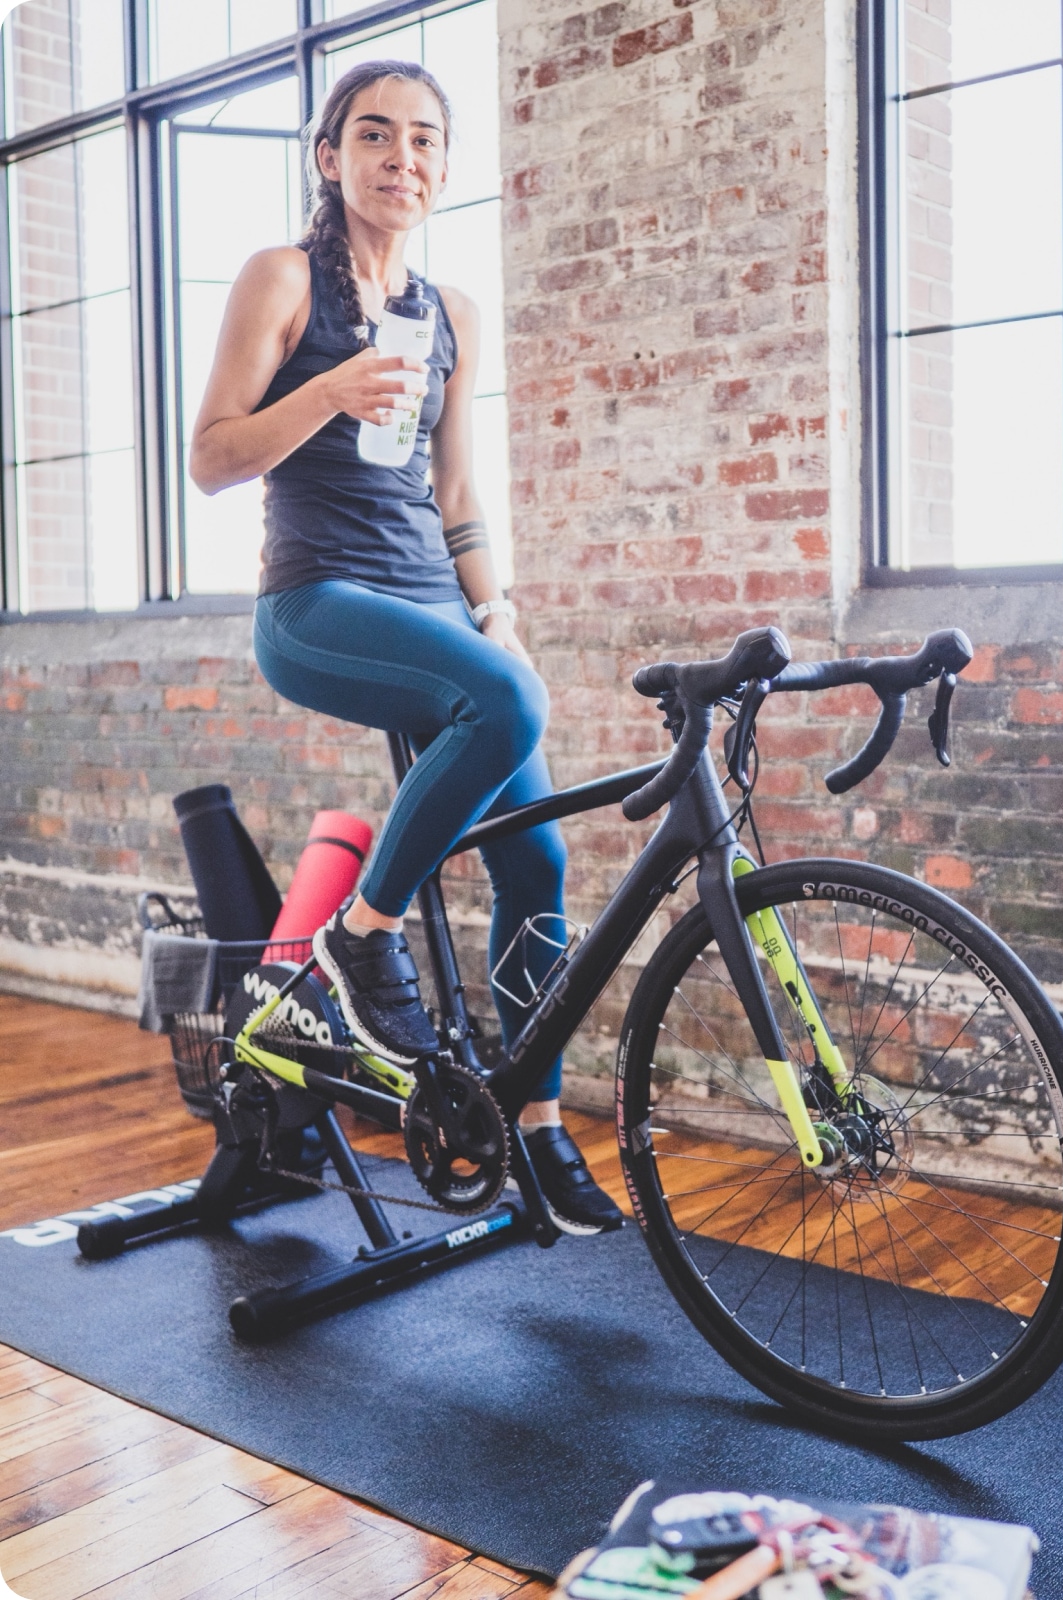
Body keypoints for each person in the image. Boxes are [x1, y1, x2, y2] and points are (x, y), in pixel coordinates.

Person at [189, 59, 620, 1235]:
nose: (403, 159)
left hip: (437, 610)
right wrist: (328, 388)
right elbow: (214, 457)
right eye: (375, 136)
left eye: (426, 141)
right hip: (316, 600)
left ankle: (534, 1125)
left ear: (444, 167)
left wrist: (498, 611)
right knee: (509, 709)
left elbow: (456, 488)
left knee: (537, 867)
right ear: (330, 157)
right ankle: (359, 944)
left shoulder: (452, 314)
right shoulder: (284, 278)